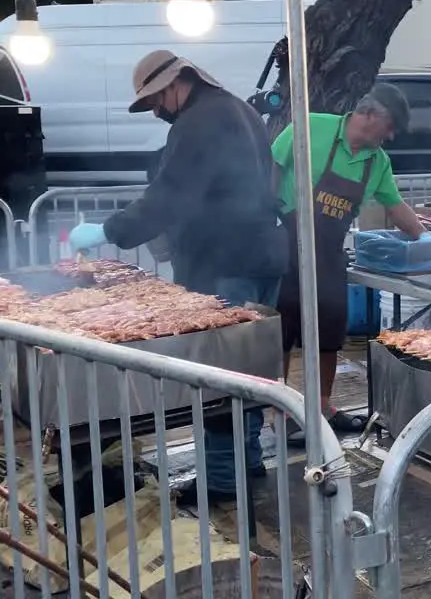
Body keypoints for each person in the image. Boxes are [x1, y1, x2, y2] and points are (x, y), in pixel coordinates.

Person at [67, 49, 288, 505]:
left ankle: (224, 484)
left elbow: (170, 196)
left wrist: (109, 230)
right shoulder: (237, 108)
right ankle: (246, 464)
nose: (156, 111)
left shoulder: (200, 120)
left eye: (154, 100)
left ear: (173, 84)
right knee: (248, 370)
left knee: (219, 376)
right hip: (261, 255)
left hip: (227, 261)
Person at [270, 83, 427, 439]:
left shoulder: (377, 162)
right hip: (286, 246)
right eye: (388, 127)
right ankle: (279, 412)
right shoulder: (310, 127)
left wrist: (430, 238)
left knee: (330, 332)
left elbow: (395, 205)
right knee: (281, 333)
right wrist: (266, 214)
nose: (389, 136)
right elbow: (273, 165)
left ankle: (323, 406)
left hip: (328, 253)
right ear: (368, 114)